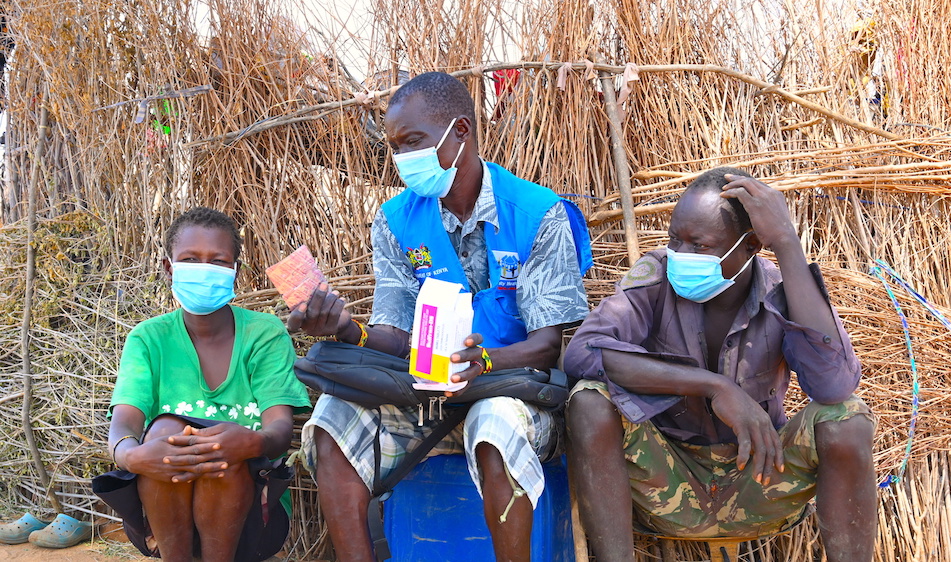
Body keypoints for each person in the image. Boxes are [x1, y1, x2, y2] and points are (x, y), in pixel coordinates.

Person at [288, 71, 592, 561]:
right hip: (425, 396)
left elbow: (545, 345)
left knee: (495, 423)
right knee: (330, 421)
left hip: (514, 394)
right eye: (394, 147)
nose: (402, 159)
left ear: (461, 132)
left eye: (413, 142)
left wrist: (484, 363)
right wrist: (347, 329)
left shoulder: (537, 213)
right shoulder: (395, 220)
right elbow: (396, 335)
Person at [564, 168, 876, 561]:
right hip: (665, 482)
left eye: (700, 244)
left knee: (848, 419)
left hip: (762, 480)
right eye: (676, 238)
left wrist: (786, 241)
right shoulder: (656, 277)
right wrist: (712, 386)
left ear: (749, 247)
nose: (682, 255)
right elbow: (581, 354)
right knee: (588, 401)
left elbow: (833, 386)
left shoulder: (782, 291)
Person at [93, 207, 312, 562]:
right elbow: (124, 425)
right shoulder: (149, 339)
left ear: (235, 272)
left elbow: (279, 429)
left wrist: (252, 441)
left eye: (218, 261)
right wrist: (132, 456)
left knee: (218, 448)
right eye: (190, 259)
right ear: (169, 268)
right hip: (162, 516)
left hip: (252, 518)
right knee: (164, 431)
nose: (204, 270)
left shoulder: (264, 334)